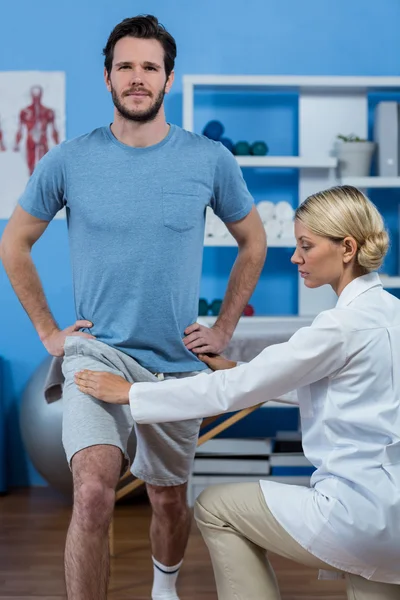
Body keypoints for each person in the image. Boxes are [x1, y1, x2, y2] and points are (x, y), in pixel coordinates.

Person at [0, 14, 267, 600]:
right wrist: (49, 331)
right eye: (126, 66)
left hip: (175, 363)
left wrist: (223, 328)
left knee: (169, 499)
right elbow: (13, 242)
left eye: (150, 66)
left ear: (168, 78)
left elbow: (255, 241)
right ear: (107, 77)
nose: (138, 77)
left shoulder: (209, 159)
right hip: (98, 356)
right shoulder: (70, 160)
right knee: (93, 493)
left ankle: (164, 589)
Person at [76, 185, 400, 600]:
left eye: (306, 245)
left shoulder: (338, 328)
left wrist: (133, 394)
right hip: (391, 516)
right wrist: (240, 368)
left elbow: (229, 393)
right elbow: (337, 391)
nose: (295, 257)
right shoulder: (389, 313)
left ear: (348, 248)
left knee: (216, 508)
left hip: (355, 515)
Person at [14, 85, 59, 175]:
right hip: (30, 139)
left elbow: (54, 129)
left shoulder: (48, 112)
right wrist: (17, 143)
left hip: (43, 139)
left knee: (44, 167)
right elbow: (20, 129)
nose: (36, 98)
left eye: (37, 95)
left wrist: (58, 143)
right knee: (31, 168)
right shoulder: (25, 112)